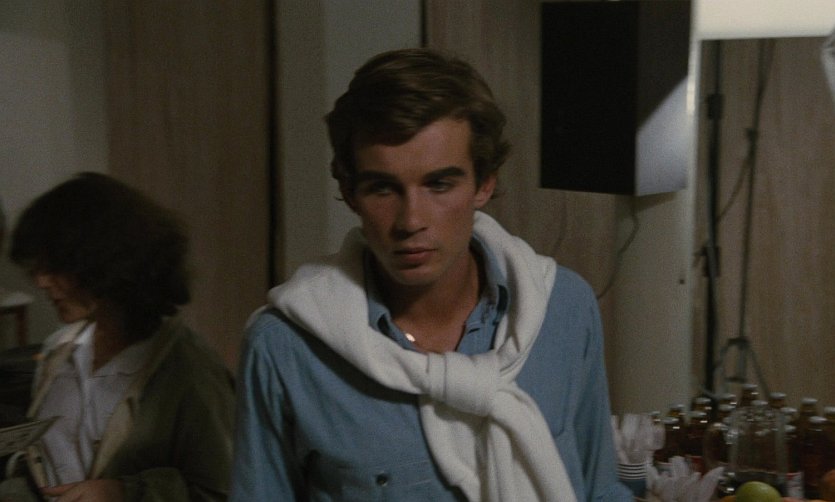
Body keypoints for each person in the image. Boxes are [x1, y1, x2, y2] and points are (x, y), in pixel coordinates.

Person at [231, 48, 631, 501]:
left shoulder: (562, 307)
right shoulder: (287, 347)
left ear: (484, 183)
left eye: (439, 184)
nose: (411, 221)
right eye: (383, 188)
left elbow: (599, 489)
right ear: (350, 191)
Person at [1, 172, 234, 501]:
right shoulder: (59, 352)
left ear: (105, 263)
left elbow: (222, 490)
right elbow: (45, 469)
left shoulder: (190, 373)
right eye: (38, 267)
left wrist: (124, 492)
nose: (41, 282)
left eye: (55, 266)